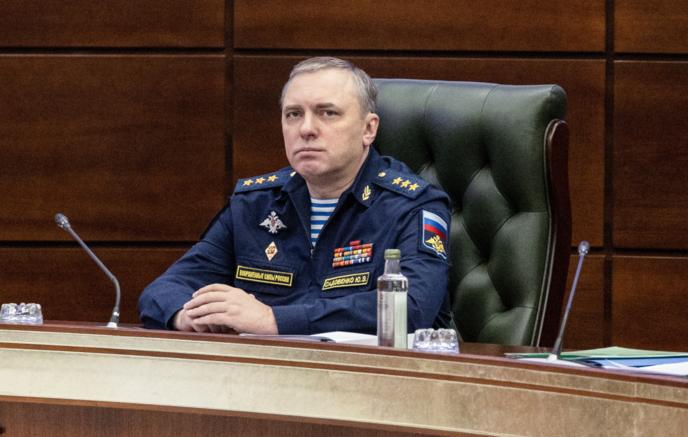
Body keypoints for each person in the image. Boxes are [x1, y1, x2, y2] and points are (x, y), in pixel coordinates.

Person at [139, 57, 453, 335]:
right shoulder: (254, 204)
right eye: (293, 114)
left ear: (368, 129)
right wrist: (187, 316)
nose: (306, 129)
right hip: (264, 375)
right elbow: (164, 290)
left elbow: (411, 308)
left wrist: (273, 320)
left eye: (327, 113)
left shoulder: (412, 206)